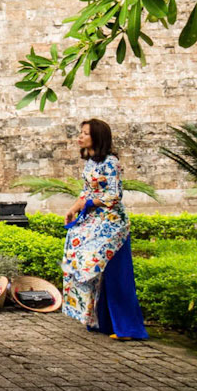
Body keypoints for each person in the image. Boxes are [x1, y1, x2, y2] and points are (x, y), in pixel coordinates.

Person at [62, 119, 148, 337]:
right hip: (94, 223)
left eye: (85, 134)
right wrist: (74, 208)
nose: (79, 137)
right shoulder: (91, 163)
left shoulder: (111, 163)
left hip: (112, 226)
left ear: (97, 138)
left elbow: (114, 195)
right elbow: (86, 191)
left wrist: (87, 204)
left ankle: (128, 328)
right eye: (80, 133)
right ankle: (103, 322)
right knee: (94, 272)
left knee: (117, 276)